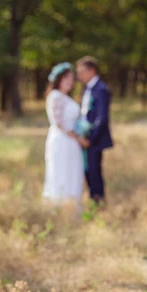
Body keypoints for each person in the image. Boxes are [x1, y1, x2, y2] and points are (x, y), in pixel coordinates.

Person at [43, 62, 90, 206]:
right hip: (62, 140)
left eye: (71, 79)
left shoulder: (67, 97)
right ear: (58, 80)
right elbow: (59, 123)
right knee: (60, 173)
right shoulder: (55, 96)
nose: (69, 82)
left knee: (72, 173)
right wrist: (77, 138)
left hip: (72, 141)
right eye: (66, 79)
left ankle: (72, 208)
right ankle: (58, 208)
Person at [76, 56, 113, 204]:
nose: (79, 76)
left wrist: (90, 139)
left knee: (94, 172)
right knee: (87, 171)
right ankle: (93, 200)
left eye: (82, 72)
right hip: (84, 137)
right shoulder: (86, 88)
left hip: (94, 139)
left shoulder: (102, 89)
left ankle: (98, 202)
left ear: (92, 70)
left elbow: (102, 118)